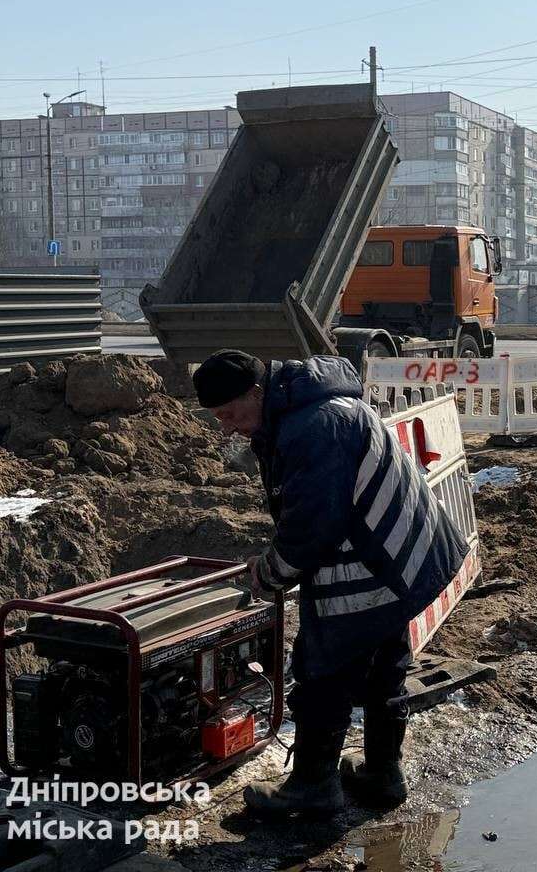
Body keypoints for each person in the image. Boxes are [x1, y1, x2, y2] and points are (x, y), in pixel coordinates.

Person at [192, 349, 468, 817]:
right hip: (403, 550)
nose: (226, 427)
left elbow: (309, 532)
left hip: (378, 556)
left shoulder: (313, 428)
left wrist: (268, 573)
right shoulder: (309, 409)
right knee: (385, 665)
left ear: (257, 393)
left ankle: (312, 788)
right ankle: (383, 773)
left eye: (229, 414)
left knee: (322, 671)